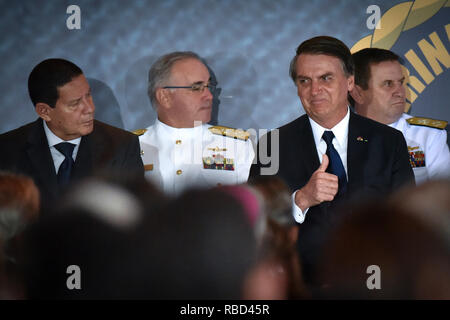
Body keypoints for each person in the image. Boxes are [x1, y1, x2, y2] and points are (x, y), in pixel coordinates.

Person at [250, 36, 414, 288]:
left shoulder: (388, 142)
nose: (314, 90)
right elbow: (257, 222)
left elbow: (405, 219)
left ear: (349, 82)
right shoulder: (272, 145)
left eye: (326, 78)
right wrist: (301, 200)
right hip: (302, 287)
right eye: (304, 81)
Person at [0, 59, 144, 210]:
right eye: (75, 104)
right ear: (44, 111)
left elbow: (134, 213)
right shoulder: (7, 150)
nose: (90, 108)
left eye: (88, 96)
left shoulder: (122, 146)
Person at [135, 51, 254, 195]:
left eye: (209, 86)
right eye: (196, 87)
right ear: (164, 97)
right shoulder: (129, 146)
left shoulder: (237, 145)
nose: (209, 96)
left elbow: (251, 209)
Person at [351, 48, 450, 184]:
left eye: (401, 82)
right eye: (388, 84)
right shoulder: (335, 135)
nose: (400, 92)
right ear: (357, 93)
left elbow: (442, 195)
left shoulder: (429, 135)